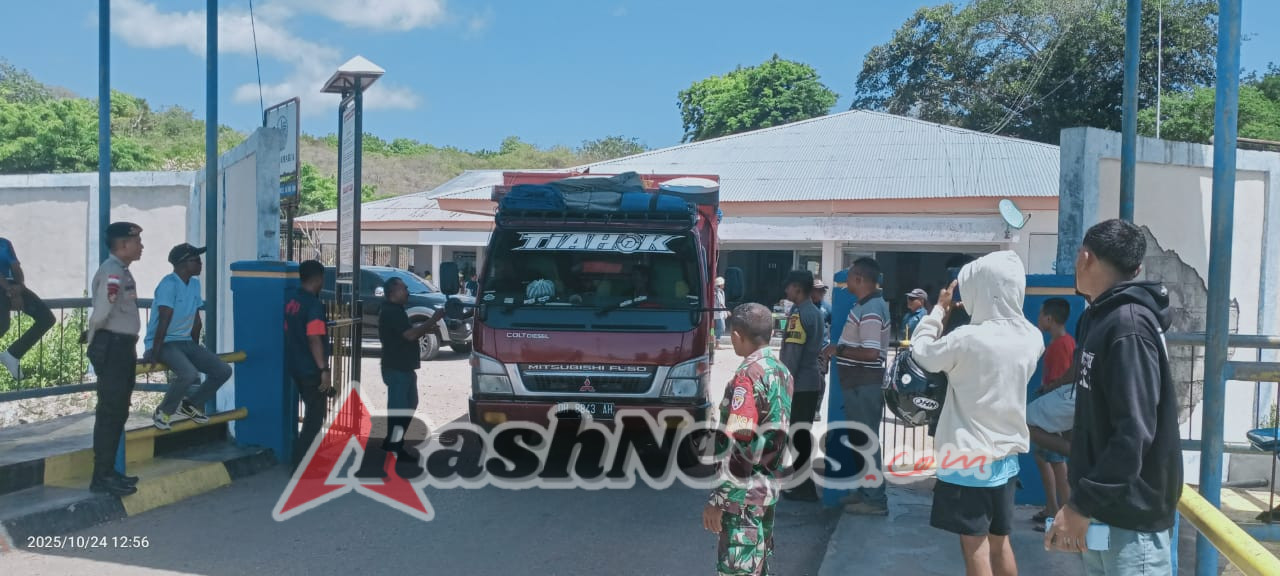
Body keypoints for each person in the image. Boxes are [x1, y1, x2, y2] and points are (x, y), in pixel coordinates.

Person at [1046, 219, 1181, 576]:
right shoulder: (1098, 318)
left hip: (1131, 520)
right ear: (1135, 268)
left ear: (1085, 257)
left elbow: (1134, 432)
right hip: (1103, 512)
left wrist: (1080, 505)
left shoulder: (1128, 326)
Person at [910, 251, 1044, 576]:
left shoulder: (967, 339)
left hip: (968, 459)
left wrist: (938, 311)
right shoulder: (1032, 337)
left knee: (975, 548)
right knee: (1000, 541)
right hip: (1006, 460)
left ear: (983, 289)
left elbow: (922, 351)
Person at [702, 302, 792, 576]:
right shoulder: (781, 370)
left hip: (743, 496)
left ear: (737, 335)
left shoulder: (748, 376)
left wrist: (719, 499)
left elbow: (741, 443)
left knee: (738, 569)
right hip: (768, 489)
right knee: (758, 566)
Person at [820, 257, 891, 516]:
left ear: (859, 279)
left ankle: (874, 499)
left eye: (849, 277)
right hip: (858, 384)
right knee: (860, 440)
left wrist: (836, 350)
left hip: (864, 384)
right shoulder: (866, 305)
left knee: (866, 441)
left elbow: (871, 353)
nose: (845, 282)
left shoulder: (871, 309)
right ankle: (865, 491)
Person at [84, 222, 146, 496]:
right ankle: (102, 476)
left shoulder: (121, 270)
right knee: (110, 412)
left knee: (118, 411)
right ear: (122, 245)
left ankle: (108, 472)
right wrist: (93, 340)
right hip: (113, 347)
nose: (141, 246)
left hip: (122, 346)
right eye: (137, 242)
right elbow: (101, 312)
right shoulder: (112, 272)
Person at [143, 243, 233, 431]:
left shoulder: (194, 284)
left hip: (184, 342)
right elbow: (163, 321)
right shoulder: (168, 285)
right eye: (196, 260)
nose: (201, 264)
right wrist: (153, 351)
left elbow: (196, 321)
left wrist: (194, 349)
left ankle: (190, 405)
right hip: (164, 342)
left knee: (223, 370)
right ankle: (163, 411)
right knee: (189, 374)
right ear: (183, 264)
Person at [376, 276, 443, 462]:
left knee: (409, 404)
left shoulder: (395, 310)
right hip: (397, 367)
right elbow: (409, 335)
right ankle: (395, 447)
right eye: (404, 288)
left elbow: (406, 333)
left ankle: (393, 441)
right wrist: (432, 320)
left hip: (402, 367)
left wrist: (426, 327)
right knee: (400, 409)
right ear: (393, 292)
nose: (407, 292)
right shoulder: (391, 311)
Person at [1025, 298, 1077, 531]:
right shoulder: (1065, 342)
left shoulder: (1059, 346)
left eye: (1041, 315)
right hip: (1054, 410)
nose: (1038, 319)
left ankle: (1061, 514)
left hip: (1053, 414)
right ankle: (1052, 508)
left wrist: (1047, 390)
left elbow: (1059, 381)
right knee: (1044, 458)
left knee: (1056, 461)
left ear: (1049, 318)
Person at [779, 270, 824, 502]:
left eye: (789, 286)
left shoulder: (799, 315)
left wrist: (782, 384)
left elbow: (792, 356)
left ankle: (803, 485)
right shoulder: (815, 312)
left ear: (797, 288)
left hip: (798, 384)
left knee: (797, 436)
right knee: (801, 434)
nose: (786, 291)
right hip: (810, 382)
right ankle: (802, 482)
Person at [284, 260, 334, 471]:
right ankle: (302, 465)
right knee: (314, 418)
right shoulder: (313, 305)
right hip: (310, 368)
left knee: (311, 415)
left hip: (295, 364)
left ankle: (303, 460)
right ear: (318, 279)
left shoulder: (293, 300)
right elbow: (314, 338)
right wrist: (324, 369)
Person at [0, 236, 56, 380]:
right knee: (3, 325)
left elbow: (15, 267)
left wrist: (20, 287)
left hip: (13, 287)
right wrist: (10, 291)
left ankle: (12, 355)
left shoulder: (4, 243)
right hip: (4, 288)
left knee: (47, 318)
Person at [714, 277, 728, 349]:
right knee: (721, 328)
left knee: (720, 328)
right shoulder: (715, 292)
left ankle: (716, 343)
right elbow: (720, 303)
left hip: (720, 313)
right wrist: (726, 310)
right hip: (716, 313)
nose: (724, 285)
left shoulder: (721, 292)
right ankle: (715, 342)